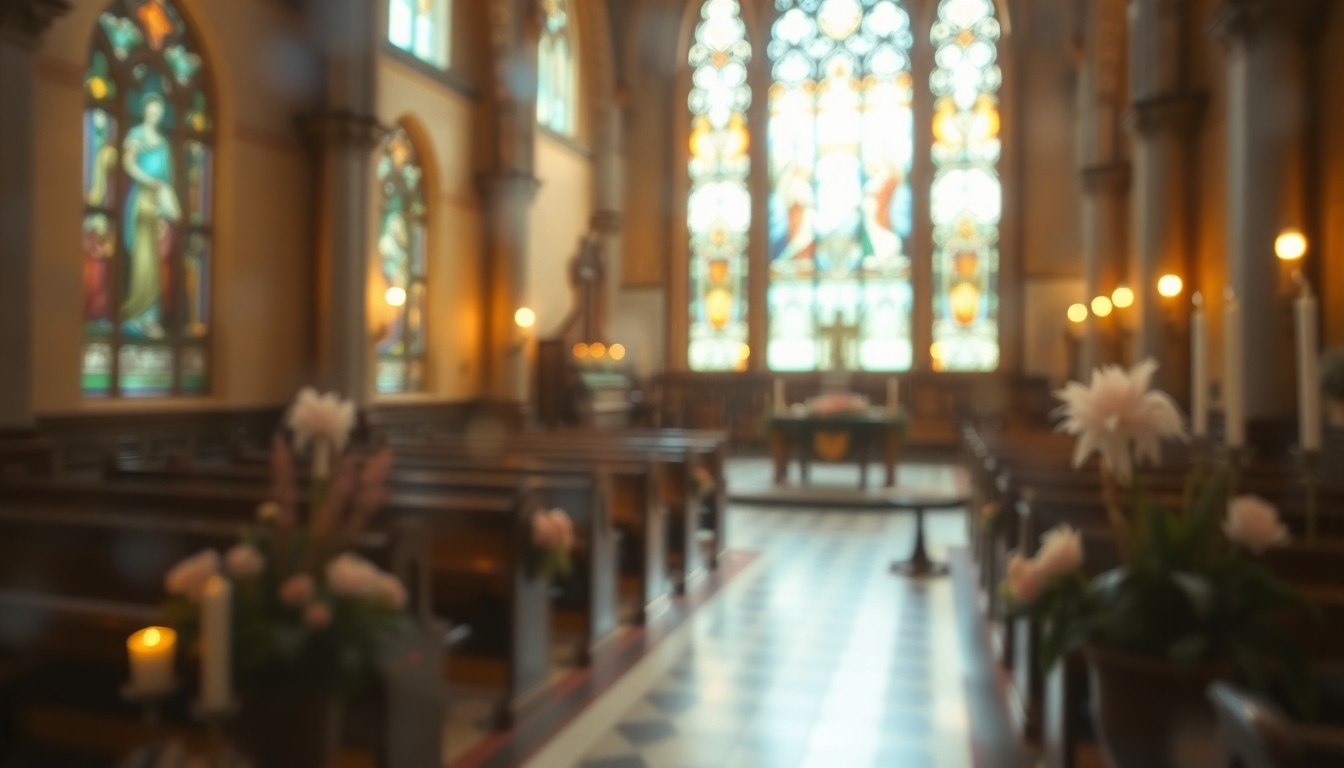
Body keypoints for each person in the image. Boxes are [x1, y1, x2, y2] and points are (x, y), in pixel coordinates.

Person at [120, 93, 179, 339]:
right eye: (152, 110)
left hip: (158, 205)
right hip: (141, 200)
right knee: (142, 258)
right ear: (145, 110)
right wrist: (148, 181)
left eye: (159, 111)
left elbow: (168, 177)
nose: (155, 114)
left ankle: (151, 317)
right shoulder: (136, 135)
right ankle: (136, 315)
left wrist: (167, 203)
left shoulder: (163, 143)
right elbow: (128, 163)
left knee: (155, 261)